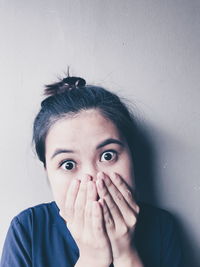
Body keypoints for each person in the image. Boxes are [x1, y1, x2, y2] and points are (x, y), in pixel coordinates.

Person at [0, 76, 182, 267]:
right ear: (47, 172)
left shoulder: (162, 227)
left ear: (132, 155)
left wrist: (126, 254)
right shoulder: (28, 229)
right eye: (68, 164)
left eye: (108, 156)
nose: (93, 179)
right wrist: (93, 259)